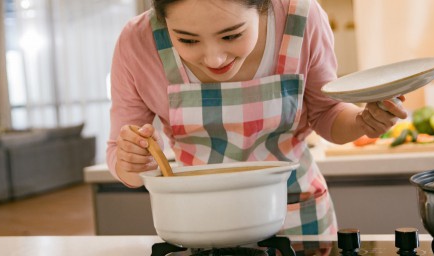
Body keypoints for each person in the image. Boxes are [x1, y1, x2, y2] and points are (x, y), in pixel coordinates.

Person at [107, 0, 407, 236]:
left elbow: (327, 115)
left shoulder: (300, 20)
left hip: (294, 215)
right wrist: (132, 161)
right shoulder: (137, 42)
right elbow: (121, 155)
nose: (214, 58)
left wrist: (364, 122)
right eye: (187, 40)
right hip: (198, 222)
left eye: (231, 35)